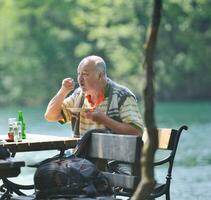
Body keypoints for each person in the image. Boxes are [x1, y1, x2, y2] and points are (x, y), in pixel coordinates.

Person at [45, 55, 144, 138]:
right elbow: (50, 116)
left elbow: (137, 132)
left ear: (100, 75)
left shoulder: (122, 96)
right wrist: (63, 91)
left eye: (85, 74)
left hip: (111, 159)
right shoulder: (79, 95)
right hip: (80, 158)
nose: (80, 78)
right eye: (79, 74)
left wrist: (104, 120)